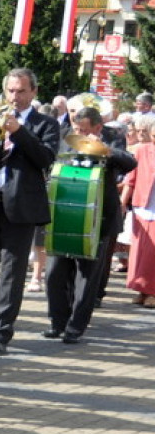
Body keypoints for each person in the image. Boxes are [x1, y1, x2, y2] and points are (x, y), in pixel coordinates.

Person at [0, 68, 59, 355]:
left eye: (21, 91)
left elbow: (44, 158)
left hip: (21, 205)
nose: (15, 96)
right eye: (10, 91)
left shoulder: (45, 123)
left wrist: (18, 131)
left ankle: (2, 331)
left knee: (12, 270)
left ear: (33, 92)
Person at [46, 100, 135, 342]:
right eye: (77, 129)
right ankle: (57, 322)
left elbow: (130, 162)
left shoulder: (113, 138)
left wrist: (104, 149)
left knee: (86, 276)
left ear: (97, 127)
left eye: (85, 130)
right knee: (54, 272)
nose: (80, 134)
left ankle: (76, 327)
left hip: (98, 218)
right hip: (64, 215)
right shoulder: (66, 138)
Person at [121, 114, 155, 307]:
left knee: (153, 252)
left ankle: (152, 292)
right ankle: (141, 290)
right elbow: (130, 178)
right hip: (143, 206)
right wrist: (122, 202)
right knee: (140, 252)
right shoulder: (141, 150)